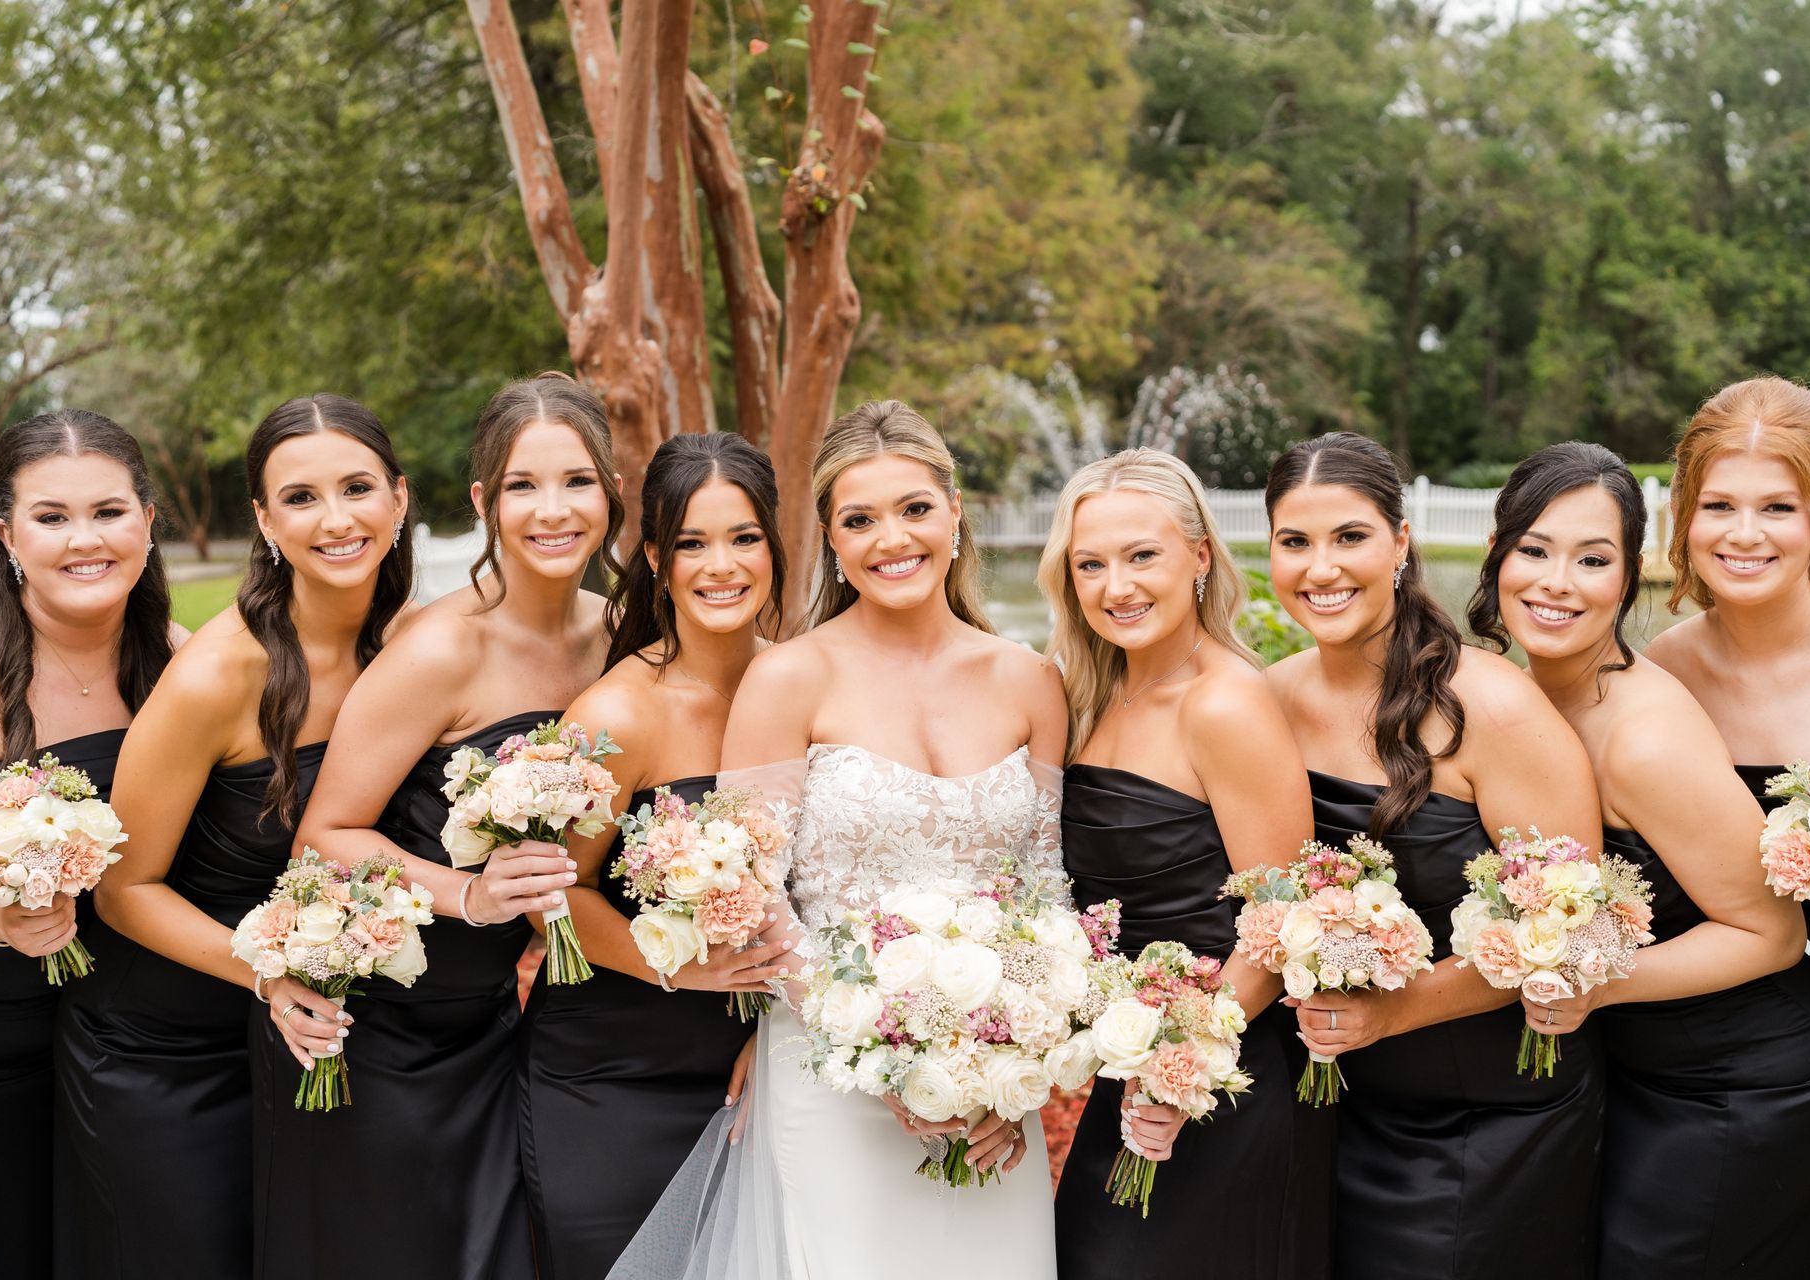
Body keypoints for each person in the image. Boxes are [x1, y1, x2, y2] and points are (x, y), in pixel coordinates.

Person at [615, 400, 1069, 1280]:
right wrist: (884, 1054)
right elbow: (752, 895)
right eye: (859, 520)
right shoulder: (787, 678)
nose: (891, 539)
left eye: (914, 509)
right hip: (830, 1073)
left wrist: (1014, 1070)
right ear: (828, 537)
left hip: (989, 1092)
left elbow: (1045, 893)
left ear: (954, 511)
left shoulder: (1029, 680)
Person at [59, 395, 411, 1279]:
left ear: (400, 499)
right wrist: (270, 977)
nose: (336, 520)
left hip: (323, 1037)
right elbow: (122, 891)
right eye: (300, 498)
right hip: (169, 1050)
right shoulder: (216, 676)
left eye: (357, 488)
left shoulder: (413, 645)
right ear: (263, 520)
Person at [279, 373, 618, 1277]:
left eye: (577, 481)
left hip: (500, 1028)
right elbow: (326, 833)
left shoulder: (620, 635)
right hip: (383, 1028)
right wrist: (468, 894)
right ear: (483, 501)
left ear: (612, 492)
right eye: (522, 485)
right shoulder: (440, 648)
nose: (553, 510)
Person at [1262, 432, 1603, 1280]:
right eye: (1295, 541)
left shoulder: (1492, 707)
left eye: (1350, 537)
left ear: (1400, 543)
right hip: (1334, 1107)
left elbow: (1572, 929)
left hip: (1485, 1123)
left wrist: (1391, 1013)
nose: (1321, 568)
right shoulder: (1269, 698)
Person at [1475, 441, 1810, 1279]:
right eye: (1534, 550)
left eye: (1593, 560)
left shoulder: (1645, 738)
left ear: (1629, 578)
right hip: (1615, 1077)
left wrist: (1589, 986)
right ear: (1497, 554)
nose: (1557, 583)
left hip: (1726, 1089)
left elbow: (1771, 934)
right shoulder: (1506, 697)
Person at [0, 410, 178, 1278]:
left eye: (109, 511)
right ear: (8, 536)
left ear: (147, 522)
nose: (85, 539)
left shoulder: (179, 663)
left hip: (115, 1067)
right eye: (52, 517)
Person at [1042, 449, 1331, 1280]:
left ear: (1200, 555)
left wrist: (1177, 1072)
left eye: (1142, 556)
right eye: (1090, 564)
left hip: (1220, 1081)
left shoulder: (1225, 703)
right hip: (1131, 1070)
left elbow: (1278, 926)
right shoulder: (1092, 694)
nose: (1116, 587)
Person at [524, 431, 794, 1278]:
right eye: (692, 543)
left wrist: (782, 1032)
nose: (722, 566)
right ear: (654, 558)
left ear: (775, 546)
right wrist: (679, 966)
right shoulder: (618, 715)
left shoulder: (802, 688)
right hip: (613, 1076)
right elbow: (548, 895)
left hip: (762, 1070)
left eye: (744, 537)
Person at [1646, 376, 1810, 935]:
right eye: (1718, 505)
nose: (1744, 534)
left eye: (1778, 507)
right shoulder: (1663, 673)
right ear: (1683, 513)